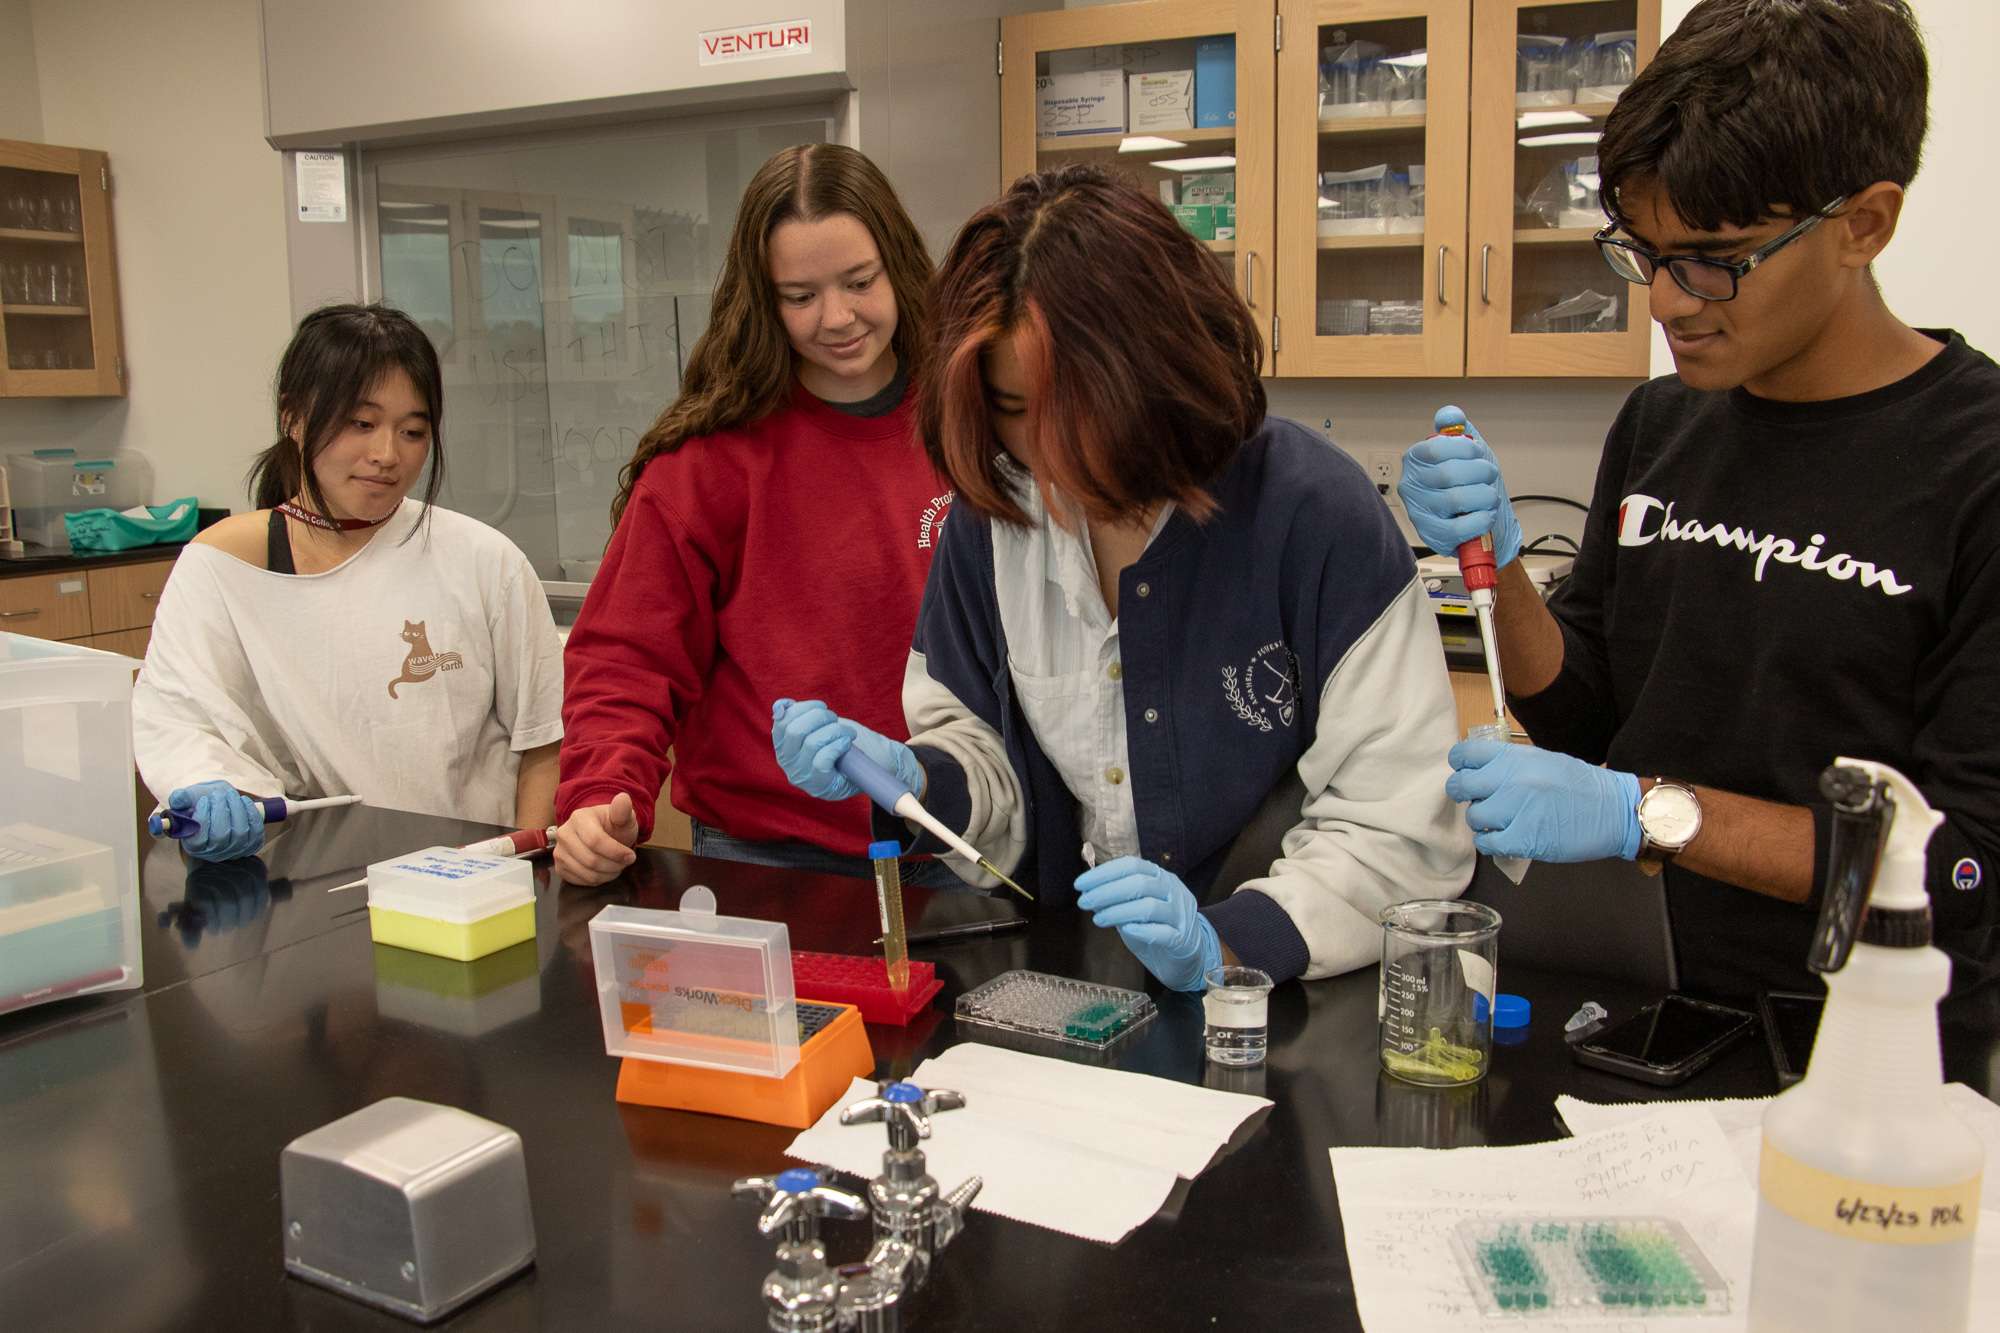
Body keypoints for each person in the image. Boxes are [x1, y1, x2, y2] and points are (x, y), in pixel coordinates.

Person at [1398, 0, 2000, 1014]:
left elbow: (1964, 868)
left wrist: (1646, 814)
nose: (1667, 300)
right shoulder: (1661, 422)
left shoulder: (1974, 468)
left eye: (1713, 258)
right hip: (1636, 1001)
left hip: (1859, 1046)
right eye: (1640, 249)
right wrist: (1494, 575)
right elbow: (1584, 708)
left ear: (1863, 224)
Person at [772, 166, 1472, 992]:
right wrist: (920, 779)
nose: (1047, 456)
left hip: (1293, 997)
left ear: (1156, 373)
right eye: (1012, 407)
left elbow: (1401, 826)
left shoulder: (1315, 516)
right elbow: (983, 753)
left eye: (1077, 410)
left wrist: (1228, 946)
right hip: (1082, 990)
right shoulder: (993, 517)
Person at [555, 143, 960, 888]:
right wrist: (598, 794)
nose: (836, 317)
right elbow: (625, 657)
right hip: (773, 863)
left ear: (899, 266)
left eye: (859, 282)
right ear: (762, 299)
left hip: (961, 846)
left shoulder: (969, 421)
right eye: (800, 295)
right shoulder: (710, 461)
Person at [133, 304, 564, 861]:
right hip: (308, 880)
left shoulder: (483, 560)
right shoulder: (225, 565)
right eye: (361, 424)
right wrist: (208, 783)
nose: (387, 455)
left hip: (472, 882)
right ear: (293, 417)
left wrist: (526, 872)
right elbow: (179, 714)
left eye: (412, 431)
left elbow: (542, 744)